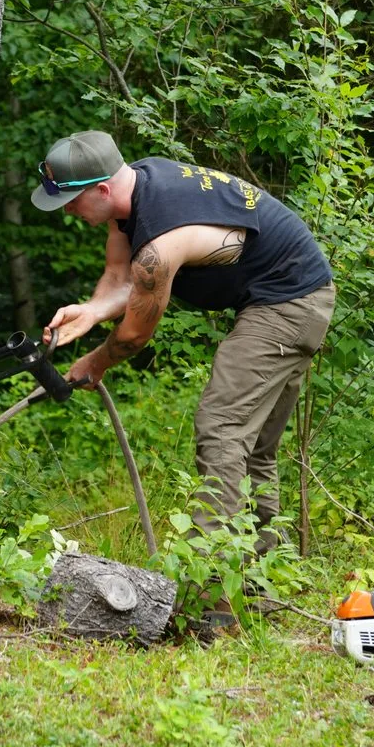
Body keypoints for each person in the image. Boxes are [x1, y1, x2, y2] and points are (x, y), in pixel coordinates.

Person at [31, 130, 335, 553]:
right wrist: (92, 311)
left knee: (222, 428)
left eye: (72, 201)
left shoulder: (162, 240)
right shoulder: (136, 189)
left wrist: (95, 363)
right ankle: (262, 578)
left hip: (288, 303)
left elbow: (136, 334)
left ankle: (210, 586)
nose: (69, 212)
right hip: (294, 295)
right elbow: (121, 278)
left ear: (101, 189)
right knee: (253, 449)